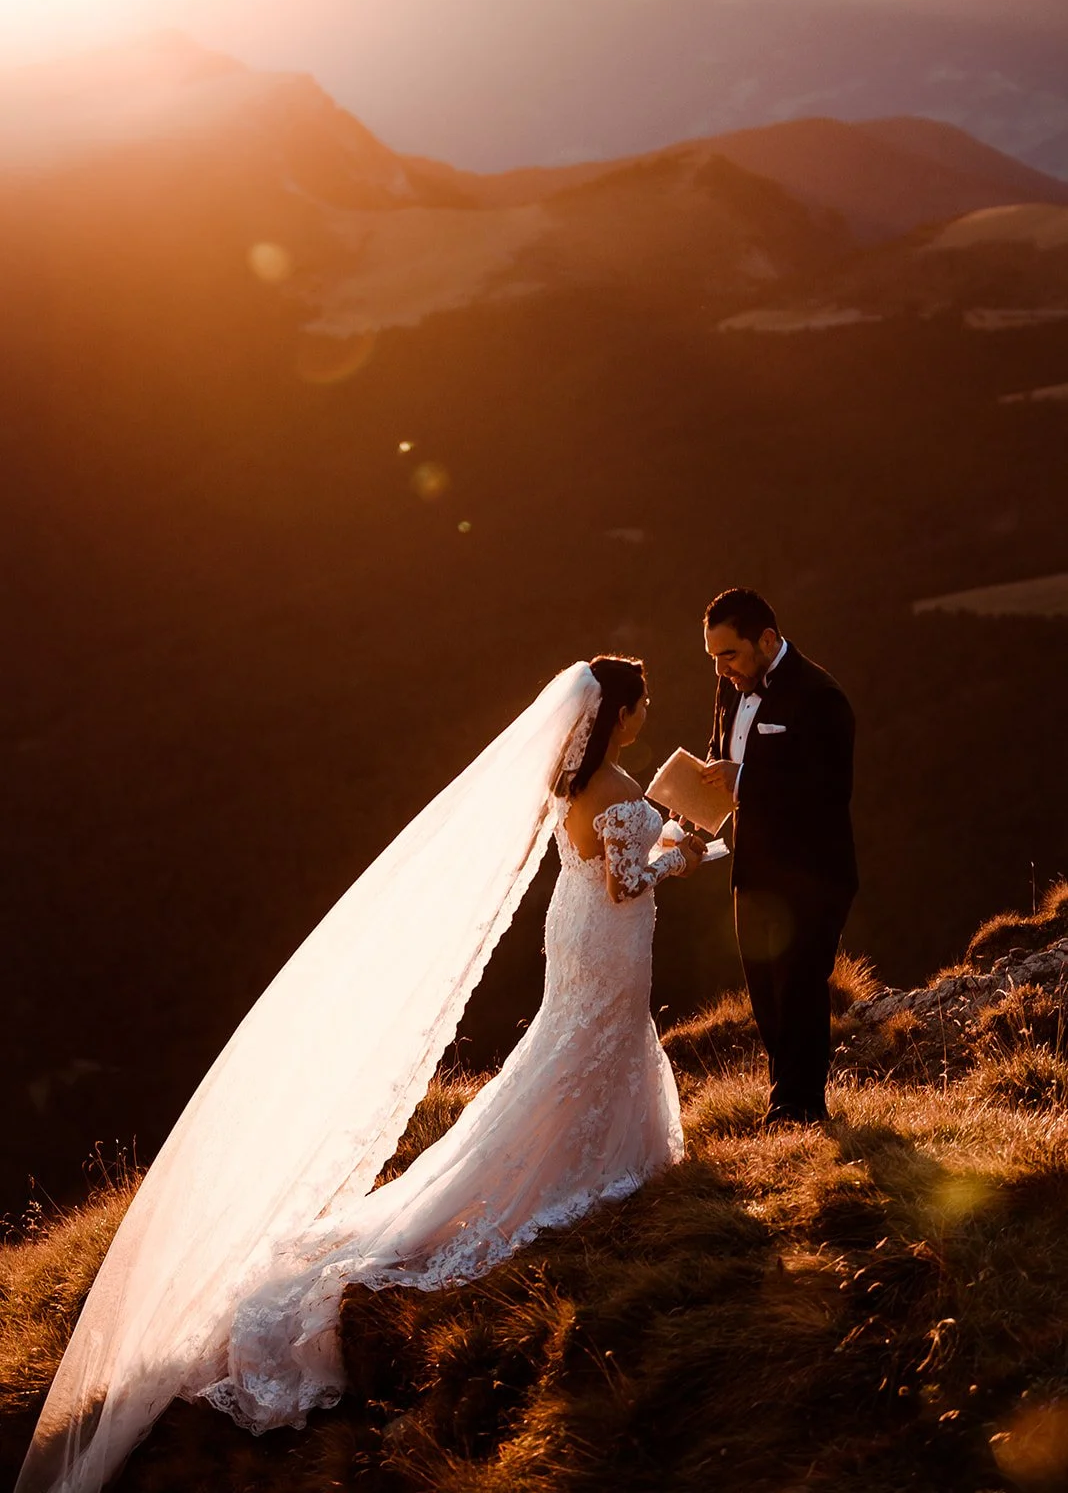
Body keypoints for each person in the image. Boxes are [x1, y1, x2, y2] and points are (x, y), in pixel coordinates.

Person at [17, 657, 703, 1493]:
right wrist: (688, 852)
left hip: (580, 932)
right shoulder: (611, 783)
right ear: (620, 713)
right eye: (640, 707)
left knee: (573, 1047)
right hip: (609, 934)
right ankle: (584, 1163)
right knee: (584, 1045)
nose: (644, 717)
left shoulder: (575, 779)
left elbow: (603, 861)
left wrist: (658, 836)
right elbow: (629, 881)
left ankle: (586, 1149)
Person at [700, 589, 858, 1126]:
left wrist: (744, 780)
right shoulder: (730, 688)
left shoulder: (821, 696)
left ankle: (800, 1108)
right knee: (765, 990)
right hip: (752, 866)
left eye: (730, 655)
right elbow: (718, 760)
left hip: (814, 871)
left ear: (766, 639)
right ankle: (785, 1095)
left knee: (799, 984)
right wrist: (690, 816)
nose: (723, 671)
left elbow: (828, 791)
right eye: (714, 658)